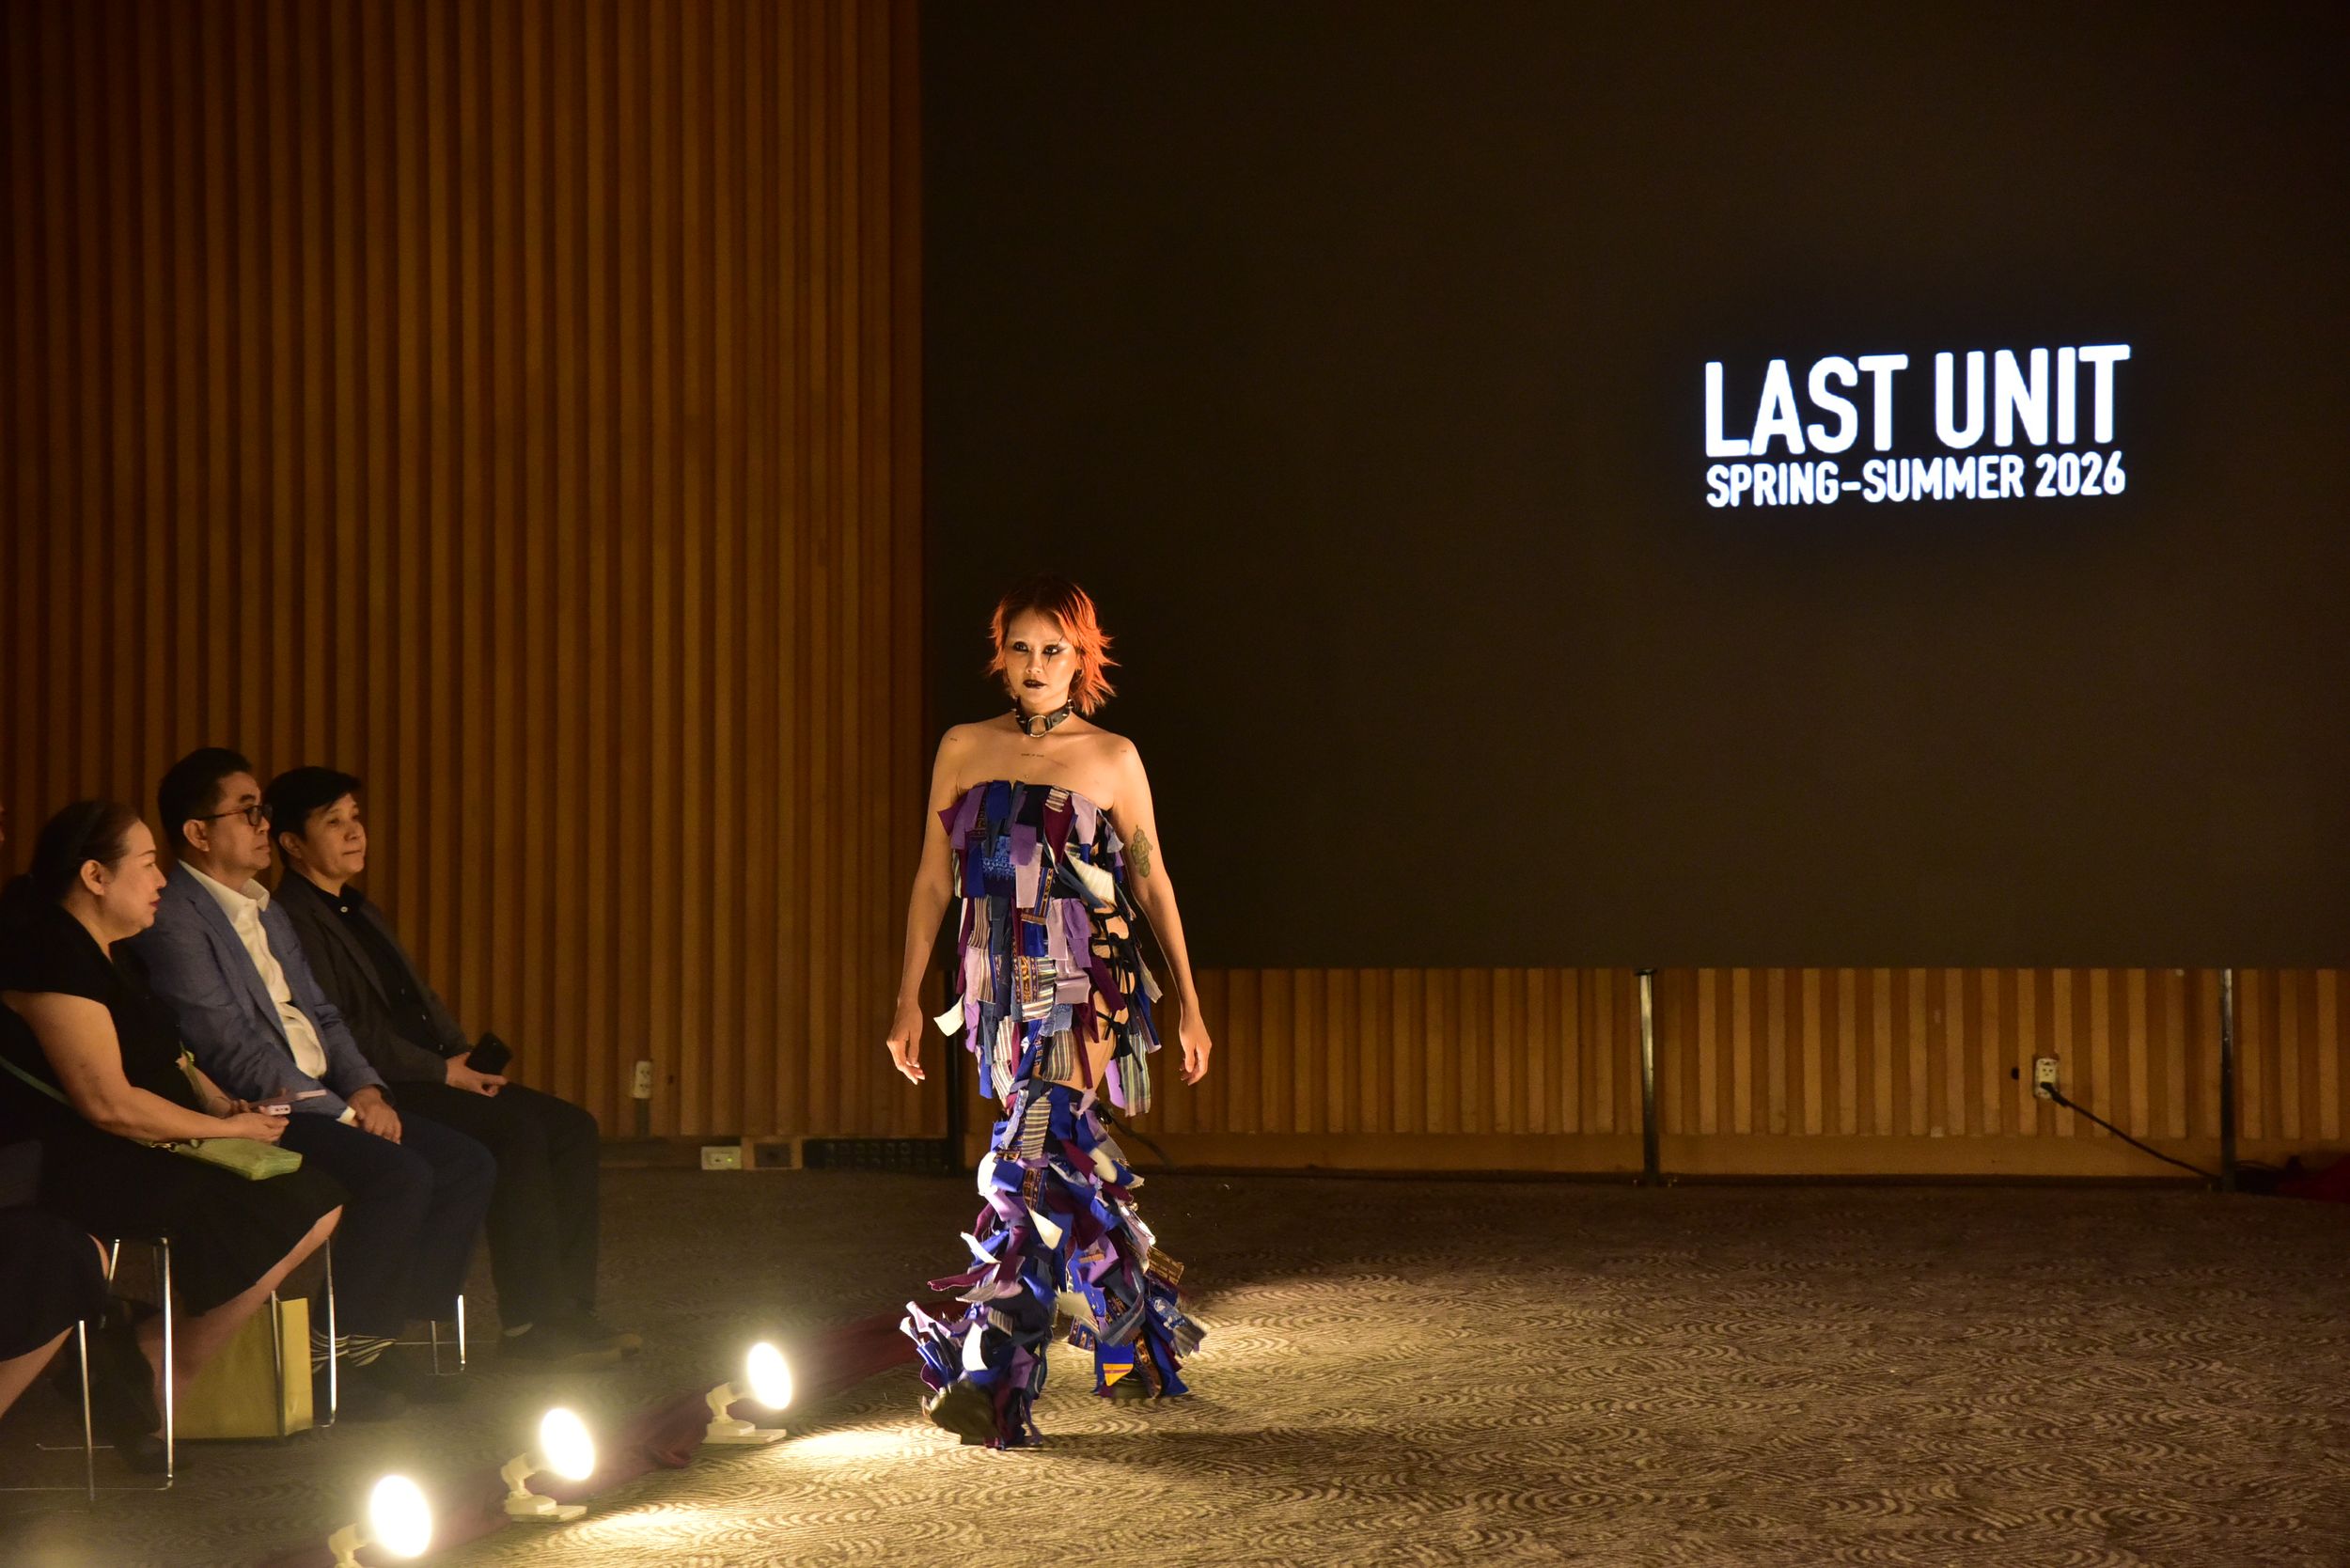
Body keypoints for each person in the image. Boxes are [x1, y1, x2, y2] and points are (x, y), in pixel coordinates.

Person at [886, 575, 1214, 1449]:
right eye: (1021, 648)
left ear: (1081, 660)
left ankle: (990, 1377)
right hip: (996, 986)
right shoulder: (964, 747)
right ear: (1001, 655)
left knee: (1026, 1160)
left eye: (1054, 650)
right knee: (1062, 1163)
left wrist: (1189, 1002)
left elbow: (1150, 878)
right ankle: (1131, 1340)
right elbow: (933, 879)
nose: (1035, 666)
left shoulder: (1112, 757)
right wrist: (909, 997)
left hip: (1089, 975)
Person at [132, 749, 495, 1419]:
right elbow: (227, 1045)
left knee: (466, 1164)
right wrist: (343, 1113)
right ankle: (337, 1356)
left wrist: (367, 1091)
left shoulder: (265, 907)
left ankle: (374, 1338)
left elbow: (323, 1014)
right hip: (265, 1106)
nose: (264, 824)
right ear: (198, 832)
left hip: (326, 1091)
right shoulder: (176, 916)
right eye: (247, 811)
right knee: (399, 1174)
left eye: (263, 810)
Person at [0, 801, 344, 1467]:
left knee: (313, 1195)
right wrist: (225, 1131)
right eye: (148, 863)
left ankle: (150, 1351)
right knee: (286, 1200)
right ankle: (162, 1369)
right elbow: (107, 1103)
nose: (162, 878)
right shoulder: (48, 953)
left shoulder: (113, 954)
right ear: (95, 876)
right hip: (78, 1158)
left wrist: (225, 1108)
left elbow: (167, 1059)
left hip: (139, 1141)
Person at [264, 766, 634, 1367]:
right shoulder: (293, 918)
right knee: (515, 1134)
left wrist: (459, 1054)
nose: (355, 831)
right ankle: (532, 1324)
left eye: (355, 817)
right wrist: (444, 1073)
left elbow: (420, 998)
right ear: (292, 843)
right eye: (334, 822)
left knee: (573, 1128)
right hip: (384, 1084)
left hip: (432, 1070)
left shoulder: (357, 907)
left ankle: (570, 1310)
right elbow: (345, 1031)